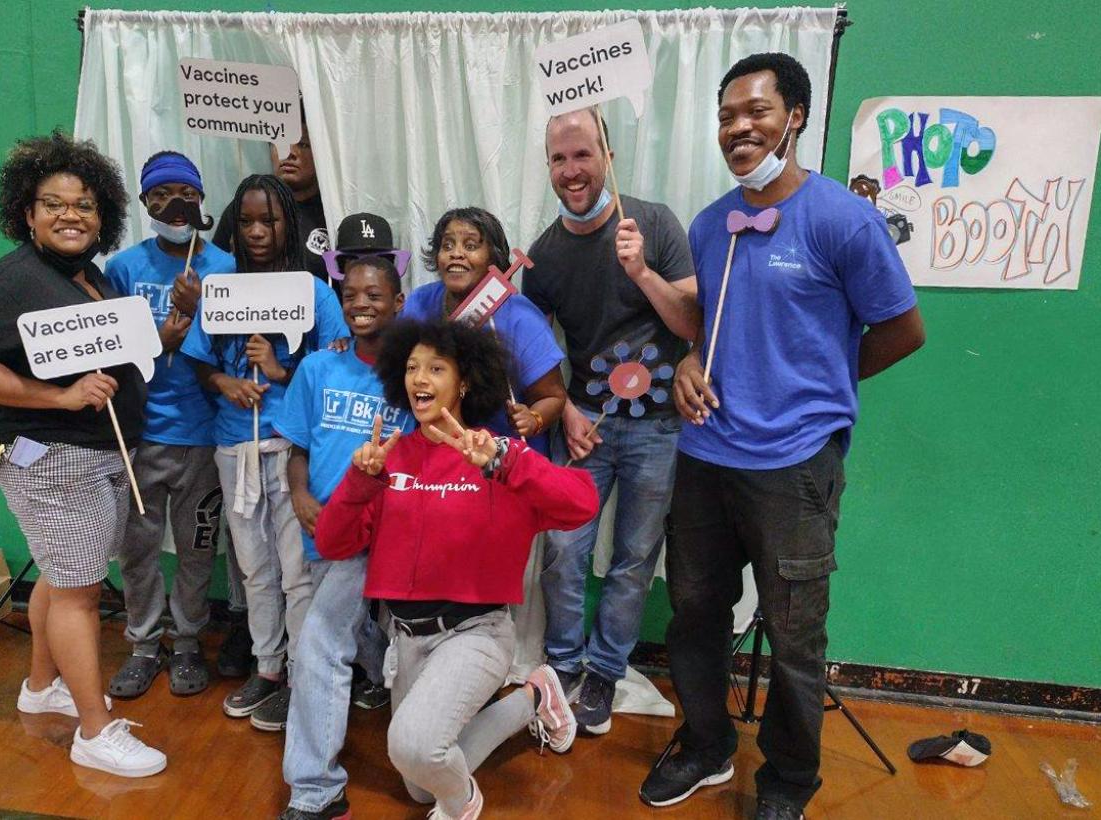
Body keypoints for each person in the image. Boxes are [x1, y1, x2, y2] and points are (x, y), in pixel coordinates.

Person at [645, 53, 925, 819]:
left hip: (796, 467)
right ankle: (705, 746)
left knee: (796, 641)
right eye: (727, 116)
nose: (739, 128)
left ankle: (788, 783)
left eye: (756, 112)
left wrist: (823, 386)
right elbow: (712, 320)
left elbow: (904, 328)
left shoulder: (841, 219)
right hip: (705, 456)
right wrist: (688, 361)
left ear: (795, 116)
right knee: (695, 614)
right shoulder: (711, 225)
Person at [316, 319, 599, 820]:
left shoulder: (493, 453)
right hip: (406, 641)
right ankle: (536, 696)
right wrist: (361, 482)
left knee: (418, 749)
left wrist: (507, 464)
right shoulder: (391, 457)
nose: (419, 379)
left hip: (476, 633)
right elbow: (332, 543)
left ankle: (465, 805)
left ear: (463, 381)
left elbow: (583, 503)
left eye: (436, 368)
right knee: (420, 780)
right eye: (410, 368)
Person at [0, 131, 165, 776]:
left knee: (60, 573)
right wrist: (61, 396)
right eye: (55, 203)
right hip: (48, 456)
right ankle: (95, 733)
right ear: (27, 212)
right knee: (78, 589)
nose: (71, 215)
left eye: (86, 205)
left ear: (103, 217)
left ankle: (43, 686)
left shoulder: (86, 276)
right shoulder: (10, 280)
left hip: (95, 452)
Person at [523, 106, 698, 734]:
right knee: (563, 551)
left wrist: (641, 270)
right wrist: (565, 406)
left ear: (608, 157)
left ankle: (604, 671)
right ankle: (564, 665)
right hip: (586, 428)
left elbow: (692, 325)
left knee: (633, 558)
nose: (571, 170)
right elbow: (530, 353)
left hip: (658, 429)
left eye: (583, 155)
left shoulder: (652, 223)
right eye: (558, 158)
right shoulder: (544, 254)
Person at [181, 174, 348, 731]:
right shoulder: (221, 287)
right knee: (254, 569)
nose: (257, 232)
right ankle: (268, 666)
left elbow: (339, 368)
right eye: (247, 221)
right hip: (233, 444)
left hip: (290, 446)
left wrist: (281, 370)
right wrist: (227, 384)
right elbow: (200, 359)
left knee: (297, 570)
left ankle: (303, 676)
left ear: (289, 225)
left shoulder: (314, 291)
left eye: (269, 221)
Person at [276, 255, 411, 820]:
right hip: (324, 530)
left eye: (374, 295)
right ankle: (383, 674)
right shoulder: (316, 368)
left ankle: (315, 791)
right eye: (350, 294)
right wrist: (301, 496)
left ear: (398, 303)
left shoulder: (416, 374)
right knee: (349, 631)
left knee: (319, 646)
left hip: (384, 533)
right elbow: (298, 446)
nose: (360, 304)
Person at [103, 151, 233, 698]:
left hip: (203, 435)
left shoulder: (224, 267)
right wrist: (162, 335)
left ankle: (186, 641)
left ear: (201, 199)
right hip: (140, 434)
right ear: (144, 203)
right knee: (138, 546)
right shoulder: (124, 268)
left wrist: (201, 305)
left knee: (198, 546)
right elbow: (108, 346)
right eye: (159, 195)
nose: (172, 204)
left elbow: (234, 347)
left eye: (183, 192)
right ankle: (141, 642)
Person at [403, 207, 566, 455]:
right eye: (447, 246)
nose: (456, 254)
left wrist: (533, 419)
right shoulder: (419, 304)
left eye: (470, 246)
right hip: (438, 457)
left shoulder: (523, 318)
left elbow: (554, 397)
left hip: (503, 460)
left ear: (493, 258)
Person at [213, 109, 330, 285]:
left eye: (303, 144)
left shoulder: (332, 214)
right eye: (281, 142)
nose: (289, 153)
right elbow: (215, 271)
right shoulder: (242, 208)